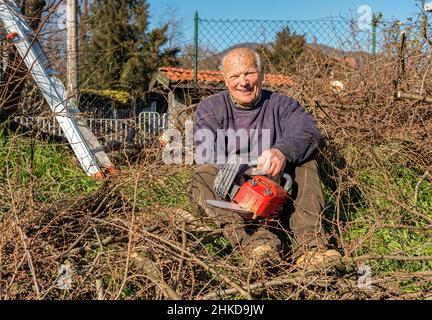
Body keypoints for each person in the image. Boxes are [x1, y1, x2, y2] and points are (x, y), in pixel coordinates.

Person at [190, 47, 341, 268]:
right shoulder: (211, 107)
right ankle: (258, 246)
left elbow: (309, 132)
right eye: (234, 76)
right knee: (202, 174)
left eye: (249, 73)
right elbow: (206, 151)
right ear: (225, 80)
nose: (243, 82)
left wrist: (281, 152)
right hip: (232, 194)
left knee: (306, 162)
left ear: (261, 74)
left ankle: (311, 247)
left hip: (278, 191)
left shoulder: (283, 105)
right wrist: (241, 173)